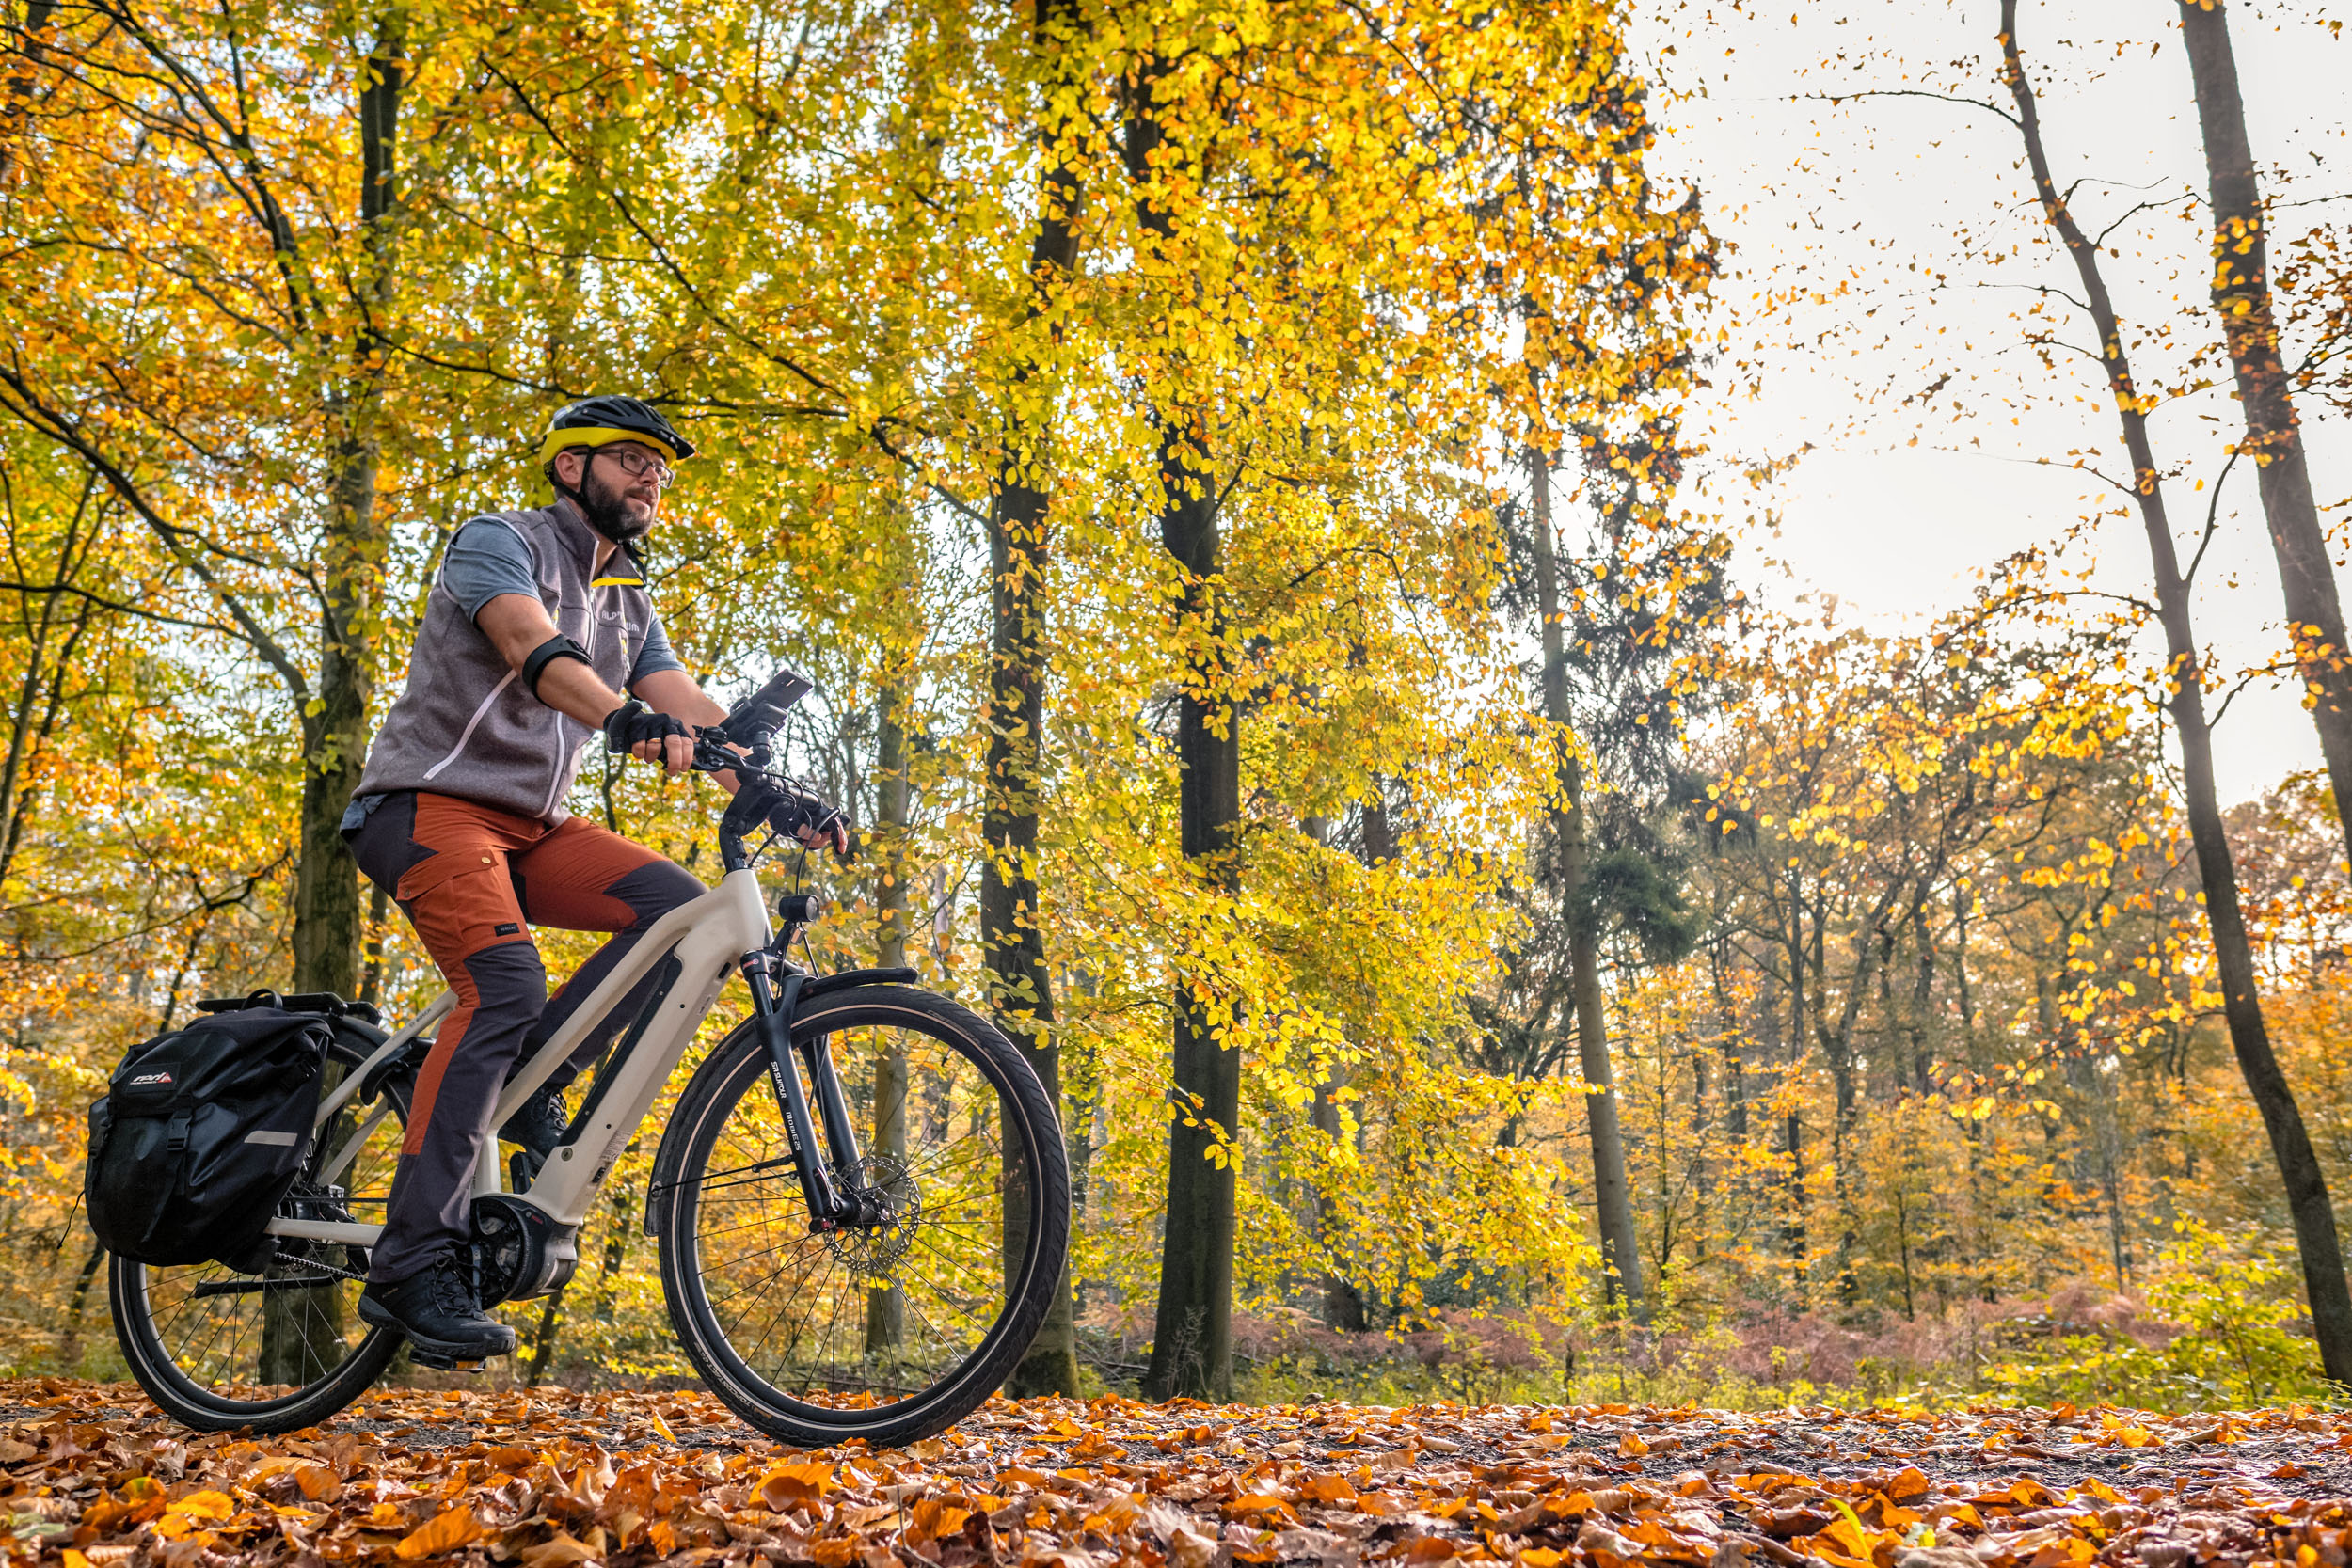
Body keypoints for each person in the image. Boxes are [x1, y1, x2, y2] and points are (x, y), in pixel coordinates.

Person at [340, 396, 850, 1366]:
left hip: (531, 828)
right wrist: (617, 718)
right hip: (427, 803)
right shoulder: (501, 541)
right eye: (630, 460)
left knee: (677, 913)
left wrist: (776, 790)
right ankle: (410, 1259)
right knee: (501, 986)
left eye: (660, 468)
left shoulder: (631, 602)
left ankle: (532, 1081)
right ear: (571, 469)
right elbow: (533, 647)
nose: (651, 478)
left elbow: (691, 712)